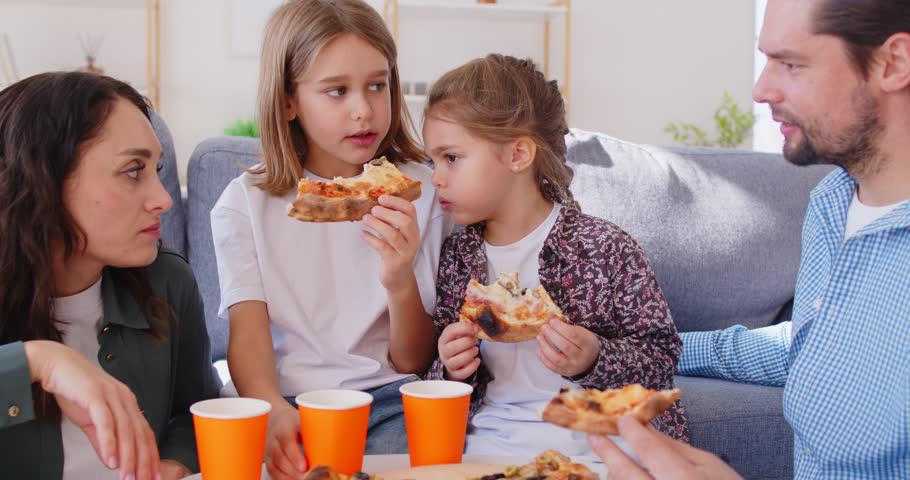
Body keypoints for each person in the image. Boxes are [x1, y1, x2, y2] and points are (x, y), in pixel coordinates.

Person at [590, 0, 910, 477]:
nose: (761, 90)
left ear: (893, 63)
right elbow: (812, 345)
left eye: (791, 64)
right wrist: (624, 349)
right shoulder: (832, 202)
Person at [209, 1, 451, 478]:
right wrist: (271, 406)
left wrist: (399, 278)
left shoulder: (421, 193)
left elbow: (413, 359)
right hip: (287, 397)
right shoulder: (244, 205)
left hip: (389, 398)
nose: (363, 110)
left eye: (377, 85)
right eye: (336, 91)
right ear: (287, 101)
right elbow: (249, 337)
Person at [422, 54, 687, 457]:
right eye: (432, 161)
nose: (436, 177)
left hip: (602, 440)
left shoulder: (606, 247)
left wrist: (595, 357)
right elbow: (439, 369)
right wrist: (450, 363)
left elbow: (661, 357)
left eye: (452, 158)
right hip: (491, 438)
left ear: (518, 155)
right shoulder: (458, 255)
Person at [0, 71, 221, 480]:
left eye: (157, 170)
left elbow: (198, 412)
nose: (164, 199)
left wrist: (174, 464)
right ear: (44, 179)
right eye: (134, 171)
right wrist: (40, 362)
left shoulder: (168, 281)